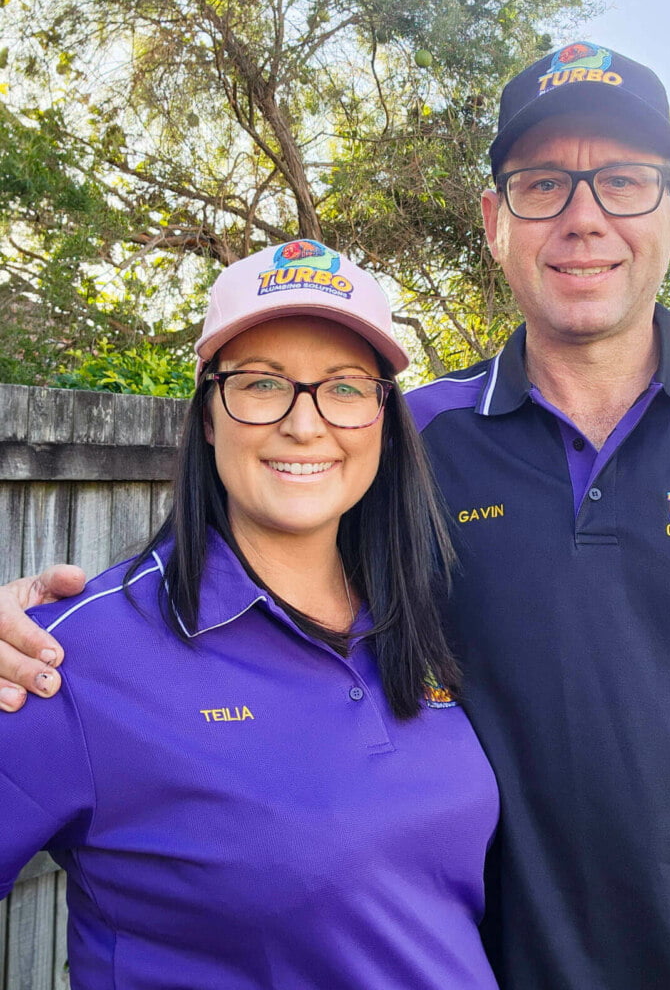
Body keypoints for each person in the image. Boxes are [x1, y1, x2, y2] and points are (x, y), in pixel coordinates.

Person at [3, 40, 670, 988]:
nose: (583, 219)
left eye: (623, 181)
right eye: (541, 185)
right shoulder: (410, 441)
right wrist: (32, 626)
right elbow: (245, 567)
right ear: (495, 220)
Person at [0, 241, 500, 989]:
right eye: (263, 385)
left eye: (343, 387)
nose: (304, 425)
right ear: (207, 415)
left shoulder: (421, 617)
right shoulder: (74, 660)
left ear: (384, 421)